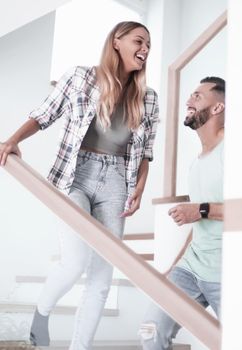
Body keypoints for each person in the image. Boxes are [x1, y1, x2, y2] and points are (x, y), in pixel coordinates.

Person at [0, 21, 159, 349]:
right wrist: (12, 140)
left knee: (102, 279)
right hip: (75, 174)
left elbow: (145, 153)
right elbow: (44, 114)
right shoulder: (79, 78)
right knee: (74, 262)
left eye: (149, 45)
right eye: (139, 41)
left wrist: (139, 188)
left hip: (117, 181)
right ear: (117, 41)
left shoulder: (149, 97)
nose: (145, 49)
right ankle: (41, 313)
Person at [139, 76, 225, 350]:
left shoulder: (234, 151)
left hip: (228, 272)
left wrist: (200, 210)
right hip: (191, 266)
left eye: (198, 96)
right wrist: (173, 268)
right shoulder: (197, 163)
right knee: (150, 331)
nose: (189, 100)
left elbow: (204, 213)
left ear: (217, 108)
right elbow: (200, 224)